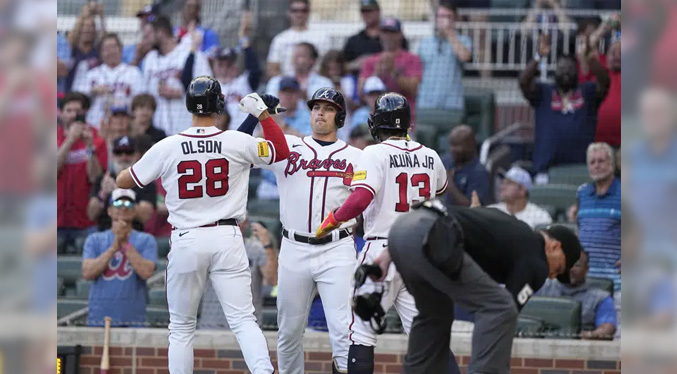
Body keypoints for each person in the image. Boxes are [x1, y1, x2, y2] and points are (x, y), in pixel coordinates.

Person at [116, 76, 289, 374]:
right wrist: (261, 114)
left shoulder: (167, 146)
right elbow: (280, 151)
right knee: (244, 320)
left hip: (186, 238)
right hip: (227, 236)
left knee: (181, 328)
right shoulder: (235, 141)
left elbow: (124, 181)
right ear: (219, 106)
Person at [314, 93, 458, 374]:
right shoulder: (430, 155)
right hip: (421, 254)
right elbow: (440, 191)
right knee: (429, 335)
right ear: (407, 124)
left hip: (382, 250)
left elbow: (360, 199)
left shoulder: (373, 152)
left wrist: (331, 220)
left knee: (361, 333)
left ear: (376, 123)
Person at [237, 87, 362, 374]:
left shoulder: (356, 156)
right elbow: (238, 148)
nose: (320, 112)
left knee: (343, 331)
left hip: (337, 247)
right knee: (289, 332)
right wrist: (257, 117)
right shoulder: (288, 146)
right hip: (294, 248)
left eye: (328, 108)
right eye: (316, 107)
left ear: (339, 117)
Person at [380, 200, 582, 374]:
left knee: (435, 314)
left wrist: (387, 254)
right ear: (555, 246)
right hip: (433, 236)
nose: (553, 275)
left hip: (401, 231)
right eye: (559, 268)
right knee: (501, 307)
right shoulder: (537, 257)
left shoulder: (508, 224)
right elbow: (506, 311)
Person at [519, 33, 610, 182]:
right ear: (555, 71)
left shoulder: (587, 92)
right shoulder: (544, 92)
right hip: (546, 169)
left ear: (577, 71)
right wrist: (538, 56)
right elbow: (524, 82)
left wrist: (590, 59)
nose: (566, 72)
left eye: (570, 69)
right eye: (561, 68)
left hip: (581, 169)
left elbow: (605, 81)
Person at [82, 189, 157, 327]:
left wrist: (125, 244)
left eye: (129, 204)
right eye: (118, 203)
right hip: (99, 320)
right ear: (109, 210)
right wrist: (113, 248)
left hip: (132, 321)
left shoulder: (146, 240)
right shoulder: (94, 240)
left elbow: (146, 272)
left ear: (135, 211)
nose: (123, 207)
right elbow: (87, 272)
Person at [198, 220, 278, 329]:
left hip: (247, 326)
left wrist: (268, 245)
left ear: (245, 223)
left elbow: (273, 279)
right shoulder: (207, 249)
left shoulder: (256, 249)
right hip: (211, 324)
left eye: (236, 221)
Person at [142, 16, 212, 136]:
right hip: (159, 131)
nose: (145, 39)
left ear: (161, 32)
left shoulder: (190, 53)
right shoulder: (149, 59)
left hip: (188, 127)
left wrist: (181, 93)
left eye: (149, 34)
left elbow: (208, 89)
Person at [57, 93, 107, 251]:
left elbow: (95, 177)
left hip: (85, 222)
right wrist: (69, 140)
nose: (73, 115)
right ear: (61, 113)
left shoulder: (96, 137)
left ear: (85, 112)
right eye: (69, 110)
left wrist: (89, 148)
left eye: (77, 111)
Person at [568, 143, 621, 292]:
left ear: (612, 164)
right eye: (592, 162)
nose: (596, 165)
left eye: (601, 161)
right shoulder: (582, 193)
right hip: (585, 284)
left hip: (616, 285)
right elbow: (580, 229)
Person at [536, 250, 617, 340]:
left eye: (576, 265)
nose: (570, 269)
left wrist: (592, 335)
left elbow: (607, 327)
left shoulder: (601, 298)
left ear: (587, 269)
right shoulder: (542, 287)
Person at [73, 33, 144, 128]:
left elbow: (141, 100)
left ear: (121, 49)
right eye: (106, 48)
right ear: (101, 53)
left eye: (114, 47)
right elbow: (76, 97)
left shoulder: (133, 72)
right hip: (96, 125)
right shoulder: (92, 74)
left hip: (124, 125)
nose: (111, 52)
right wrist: (92, 90)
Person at [417, 0, 471, 123]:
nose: (444, 20)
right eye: (441, 16)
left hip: (452, 106)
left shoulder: (464, 40)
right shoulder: (425, 42)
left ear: (455, 19)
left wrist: (449, 33)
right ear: (435, 19)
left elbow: (465, 56)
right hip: (426, 105)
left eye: (448, 16)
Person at [359, 17, 422, 123]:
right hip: (376, 118)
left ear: (400, 34)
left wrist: (393, 71)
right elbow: (361, 93)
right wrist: (376, 74)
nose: (388, 36)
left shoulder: (412, 59)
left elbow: (413, 89)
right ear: (380, 34)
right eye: (385, 32)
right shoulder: (371, 61)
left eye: (393, 32)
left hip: (403, 119)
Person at [88, 136, 157, 232]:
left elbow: (145, 215)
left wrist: (118, 191)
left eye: (129, 152)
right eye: (118, 153)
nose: (123, 157)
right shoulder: (103, 179)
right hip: (105, 234)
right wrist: (103, 194)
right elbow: (91, 215)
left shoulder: (145, 181)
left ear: (136, 155)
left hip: (134, 235)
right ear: (112, 156)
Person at [212, 12, 262, 128]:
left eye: (228, 65)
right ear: (214, 67)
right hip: (221, 140)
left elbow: (255, 71)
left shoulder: (243, 83)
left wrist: (245, 41)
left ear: (235, 67)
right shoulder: (210, 87)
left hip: (245, 138)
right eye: (221, 65)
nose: (224, 69)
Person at [343, 0, 409, 76]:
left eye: (370, 11)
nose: (367, 14)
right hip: (360, 81)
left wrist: (374, 61)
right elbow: (343, 66)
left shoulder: (394, 38)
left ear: (378, 11)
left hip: (390, 81)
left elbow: (406, 61)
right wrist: (355, 64)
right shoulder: (354, 41)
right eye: (364, 11)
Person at [266, 0, 329, 79]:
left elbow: (327, 67)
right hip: (288, 86)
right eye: (295, 10)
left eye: (303, 10)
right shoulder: (280, 39)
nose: (299, 14)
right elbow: (271, 69)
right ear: (289, 13)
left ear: (309, 12)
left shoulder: (321, 37)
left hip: (314, 84)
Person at [489, 166, 553, 229]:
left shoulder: (539, 217)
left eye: (508, 183)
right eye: (503, 183)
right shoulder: (491, 212)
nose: (502, 187)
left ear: (522, 191)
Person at [441, 125, 490, 207]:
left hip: (459, 217)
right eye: (452, 145)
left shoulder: (479, 173)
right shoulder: (446, 161)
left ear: (471, 145)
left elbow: (471, 207)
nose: (453, 149)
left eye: (457, 145)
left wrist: (449, 184)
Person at [266, 42, 333, 99]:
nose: (295, 58)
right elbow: (270, 108)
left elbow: (327, 110)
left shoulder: (324, 83)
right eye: (294, 55)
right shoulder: (276, 81)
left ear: (312, 60)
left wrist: (305, 98)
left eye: (301, 55)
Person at [66, 3, 104, 93]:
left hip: (91, 97)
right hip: (71, 95)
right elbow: (73, 35)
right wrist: (84, 13)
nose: (87, 29)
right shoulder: (72, 49)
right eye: (85, 27)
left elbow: (105, 38)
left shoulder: (97, 52)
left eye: (91, 27)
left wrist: (102, 16)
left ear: (94, 31)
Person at [595, 41, 621, 147]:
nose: (617, 56)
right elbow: (591, 45)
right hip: (602, 147)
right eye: (613, 53)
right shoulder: (600, 73)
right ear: (605, 58)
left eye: (621, 53)